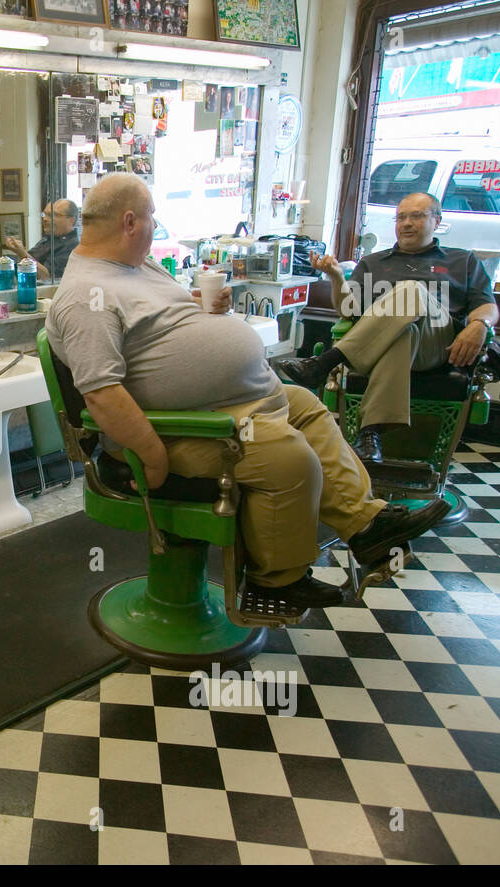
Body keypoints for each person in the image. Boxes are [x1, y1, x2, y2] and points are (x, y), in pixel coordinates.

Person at [46, 174, 450, 608]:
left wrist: (204, 309)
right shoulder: (86, 297)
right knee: (287, 455)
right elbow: (102, 395)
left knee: (306, 406)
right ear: (129, 222)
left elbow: (160, 324)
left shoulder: (134, 265)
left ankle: (368, 528)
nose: (152, 225)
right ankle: (277, 580)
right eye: (150, 217)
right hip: (178, 430)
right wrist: (152, 454)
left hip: (226, 406)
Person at [277, 192, 500, 462]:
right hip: (385, 344)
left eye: (416, 216)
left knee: (410, 290)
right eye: (401, 217)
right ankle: (371, 435)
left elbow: (487, 306)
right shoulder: (373, 263)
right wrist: (336, 276)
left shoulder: (462, 261)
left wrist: (480, 324)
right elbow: (349, 310)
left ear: (437, 221)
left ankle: (325, 362)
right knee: (402, 333)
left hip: (439, 347)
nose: (406, 223)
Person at [6, 199, 81, 281]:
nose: (45, 219)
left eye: (53, 215)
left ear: (71, 220)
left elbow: (47, 277)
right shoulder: (48, 238)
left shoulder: (71, 246)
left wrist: (22, 253)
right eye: (44, 214)